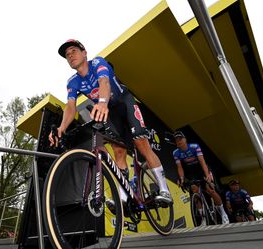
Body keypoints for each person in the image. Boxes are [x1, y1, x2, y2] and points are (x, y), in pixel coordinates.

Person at [49, 39, 172, 205]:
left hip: (124, 103)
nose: (70, 56)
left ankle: (164, 190)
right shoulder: (72, 82)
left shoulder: (98, 62)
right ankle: (123, 196)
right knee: (118, 151)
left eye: (73, 51)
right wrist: (62, 128)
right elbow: (71, 106)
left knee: (142, 144)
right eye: (67, 55)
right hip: (110, 112)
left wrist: (101, 102)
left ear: (84, 53)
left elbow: (103, 82)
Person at [172, 131, 229, 224]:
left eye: (180, 139)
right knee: (194, 189)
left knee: (210, 190)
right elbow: (180, 167)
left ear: (185, 139)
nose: (179, 142)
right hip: (191, 172)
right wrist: (182, 179)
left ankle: (223, 213)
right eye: (177, 140)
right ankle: (203, 217)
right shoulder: (176, 152)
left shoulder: (194, 147)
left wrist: (207, 176)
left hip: (202, 169)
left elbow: (202, 162)